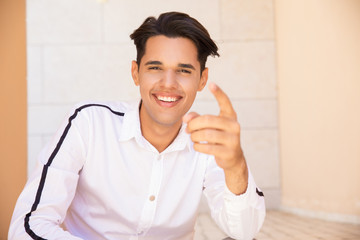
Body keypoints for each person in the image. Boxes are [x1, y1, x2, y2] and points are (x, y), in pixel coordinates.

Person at [9, 12, 265, 240]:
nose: (169, 83)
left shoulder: (208, 143)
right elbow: (28, 226)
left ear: (202, 79)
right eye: (155, 68)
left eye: (184, 71)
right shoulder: (88, 123)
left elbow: (244, 232)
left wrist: (235, 166)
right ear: (136, 73)